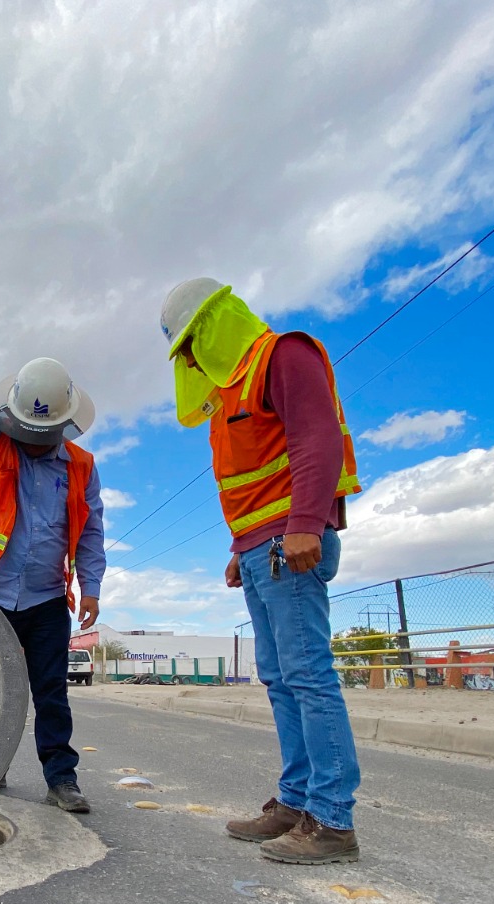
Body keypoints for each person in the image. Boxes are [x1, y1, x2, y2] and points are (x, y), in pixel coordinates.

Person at [159, 277, 363, 863]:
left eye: (193, 344)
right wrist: (238, 548)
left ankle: (332, 819)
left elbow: (316, 438)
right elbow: (253, 477)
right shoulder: (229, 396)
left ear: (214, 325)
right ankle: (298, 801)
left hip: (289, 542)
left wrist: (304, 523)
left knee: (307, 676)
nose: (192, 360)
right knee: (279, 678)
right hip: (259, 549)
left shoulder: (283, 354)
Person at [0, 266, 105, 814]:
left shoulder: (80, 466)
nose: (33, 444)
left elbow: (92, 529)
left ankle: (61, 778)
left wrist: (93, 586)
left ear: (62, 425)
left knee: (51, 693)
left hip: (47, 600)